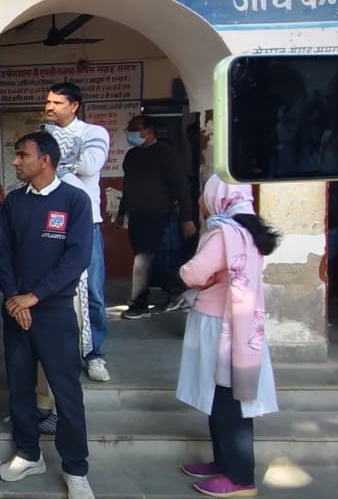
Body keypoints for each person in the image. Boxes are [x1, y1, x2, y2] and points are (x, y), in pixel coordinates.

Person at [0, 132, 95, 499]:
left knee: (66, 393)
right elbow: (3, 253)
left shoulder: (74, 200)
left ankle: (75, 468)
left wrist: (34, 297)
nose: (16, 161)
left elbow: (77, 257)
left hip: (53, 311)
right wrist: (13, 298)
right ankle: (28, 454)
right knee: (20, 388)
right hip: (15, 310)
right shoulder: (14, 202)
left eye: (23, 155)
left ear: (46, 160)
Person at [176, 175, 280, 498]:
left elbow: (192, 273)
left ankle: (240, 477)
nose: (201, 201)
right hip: (235, 323)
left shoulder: (225, 233)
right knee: (222, 398)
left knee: (227, 402)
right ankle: (223, 462)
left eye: (204, 194)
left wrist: (190, 275)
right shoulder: (246, 230)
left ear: (217, 196)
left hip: (220, 326)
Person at [44, 82, 112, 387]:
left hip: (86, 224)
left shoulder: (93, 132)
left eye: (58, 103)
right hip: (50, 221)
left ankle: (94, 353)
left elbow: (90, 164)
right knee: (53, 288)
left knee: (92, 292)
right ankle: (60, 350)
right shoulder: (43, 134)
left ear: (74, 106)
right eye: (48, 102)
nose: (50, 107)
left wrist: (52, 156)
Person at [119, 116, 199, 320]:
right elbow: (128, 187)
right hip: (137, 216)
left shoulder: (166, 153)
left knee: (153, 260)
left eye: (135, 128)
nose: (131, 133)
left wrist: (187, 218)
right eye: (130, 129)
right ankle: (171, 293)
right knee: (142, 258)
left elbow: (181, 187)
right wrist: (121, 212)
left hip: (161, 215)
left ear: (149, 130)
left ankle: (142, 303)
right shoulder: (132, 155)